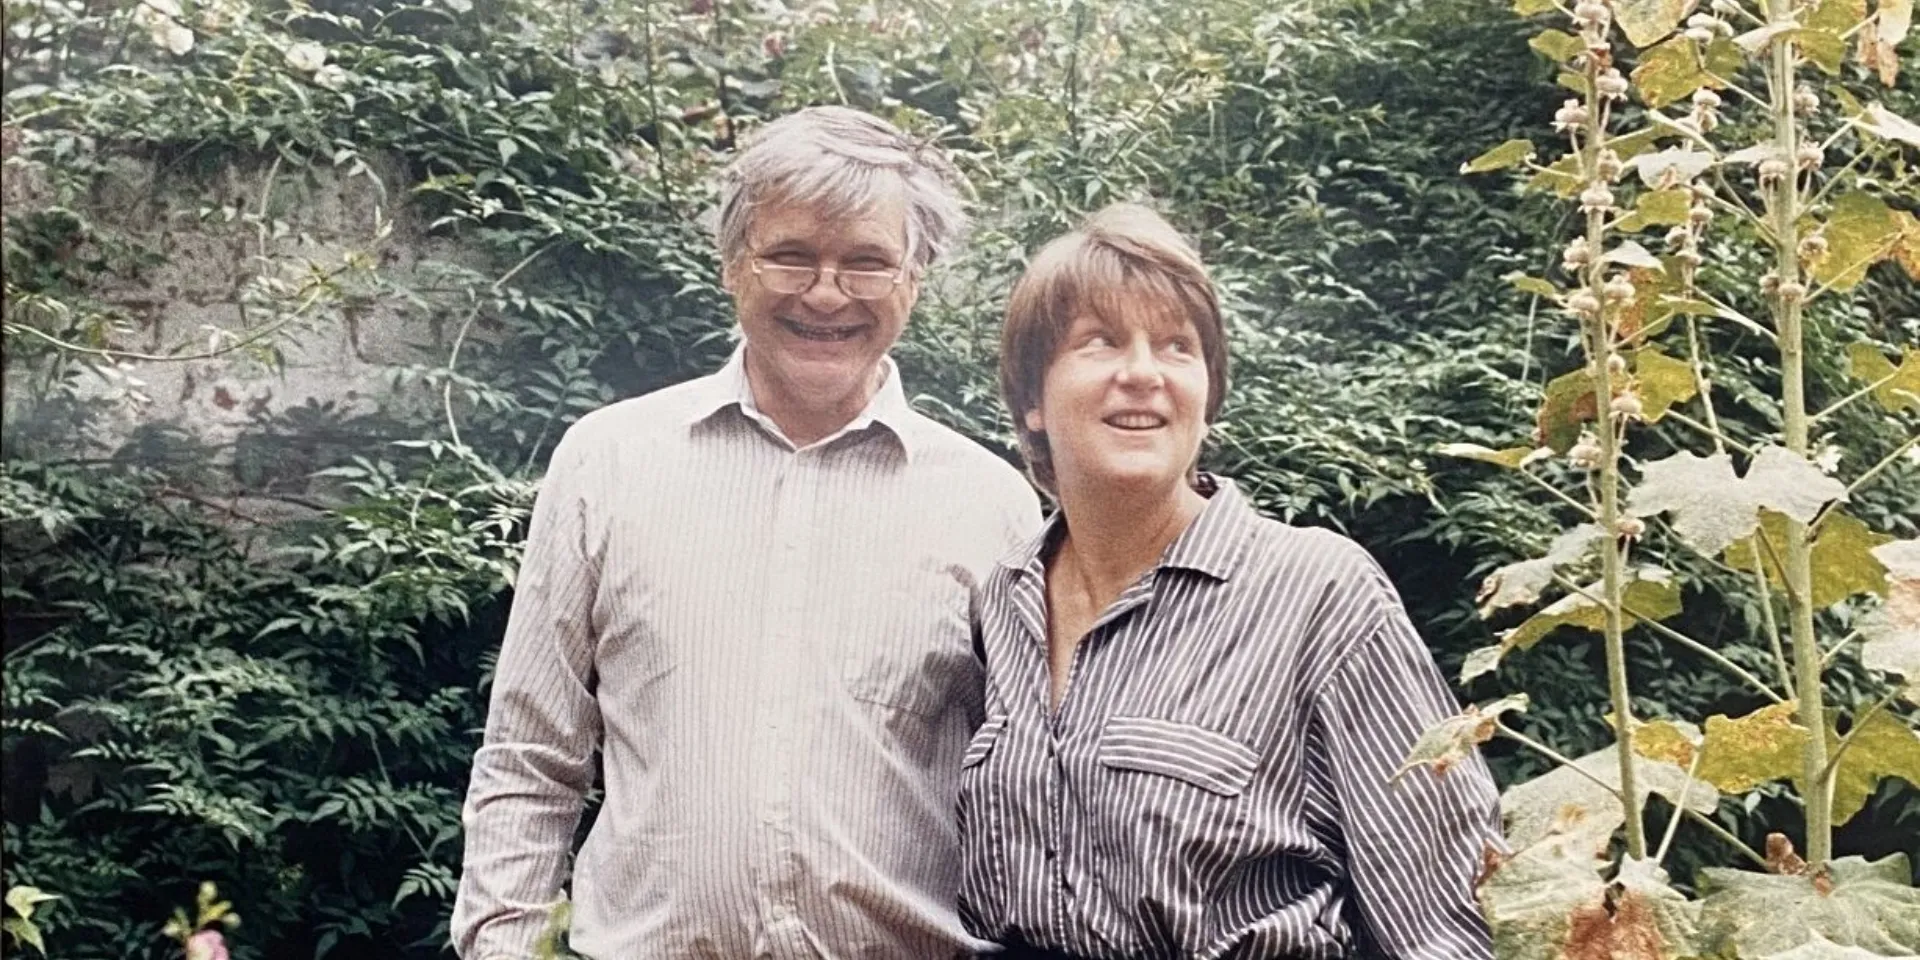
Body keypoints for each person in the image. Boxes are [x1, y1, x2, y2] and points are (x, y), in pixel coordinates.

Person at [452, 106, 1041, 959]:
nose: (826, 293)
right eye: (791, 255)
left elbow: (1027, 795)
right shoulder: (609, 463)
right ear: (732, 265)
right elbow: (530, 755)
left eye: (868, 261)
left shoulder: (991, 505)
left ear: (915, 277)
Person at [957, 203, 1501, 960]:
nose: (1142, 373)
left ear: (1207, 397)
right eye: (1100, 341)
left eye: (1176, 346)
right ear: (1032, 401)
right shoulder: (1005, 600)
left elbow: (1446, 920)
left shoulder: (1319, 594)